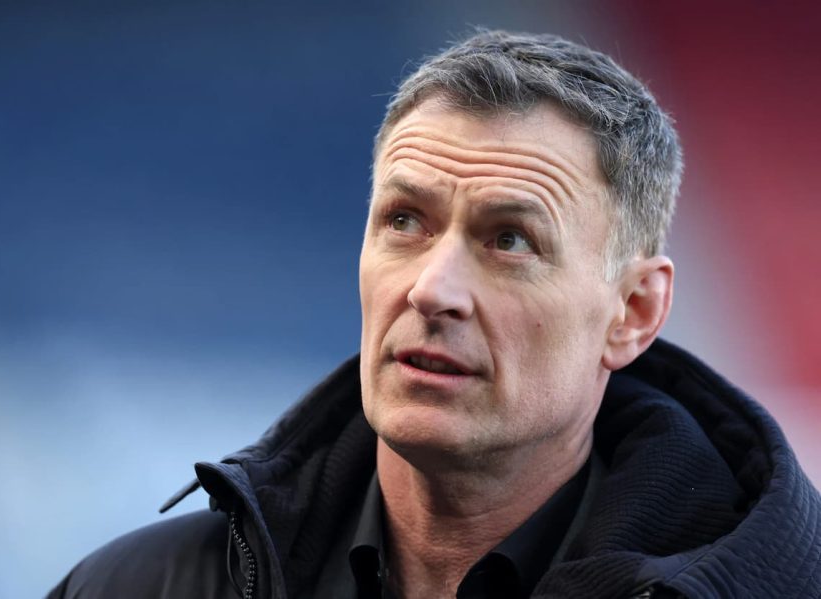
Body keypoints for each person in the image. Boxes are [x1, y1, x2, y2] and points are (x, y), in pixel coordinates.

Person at [47, 30, 821, 599]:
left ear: (633, 312)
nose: (431, 289)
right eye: (404, 221)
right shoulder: (137, 585)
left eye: (509, 239)